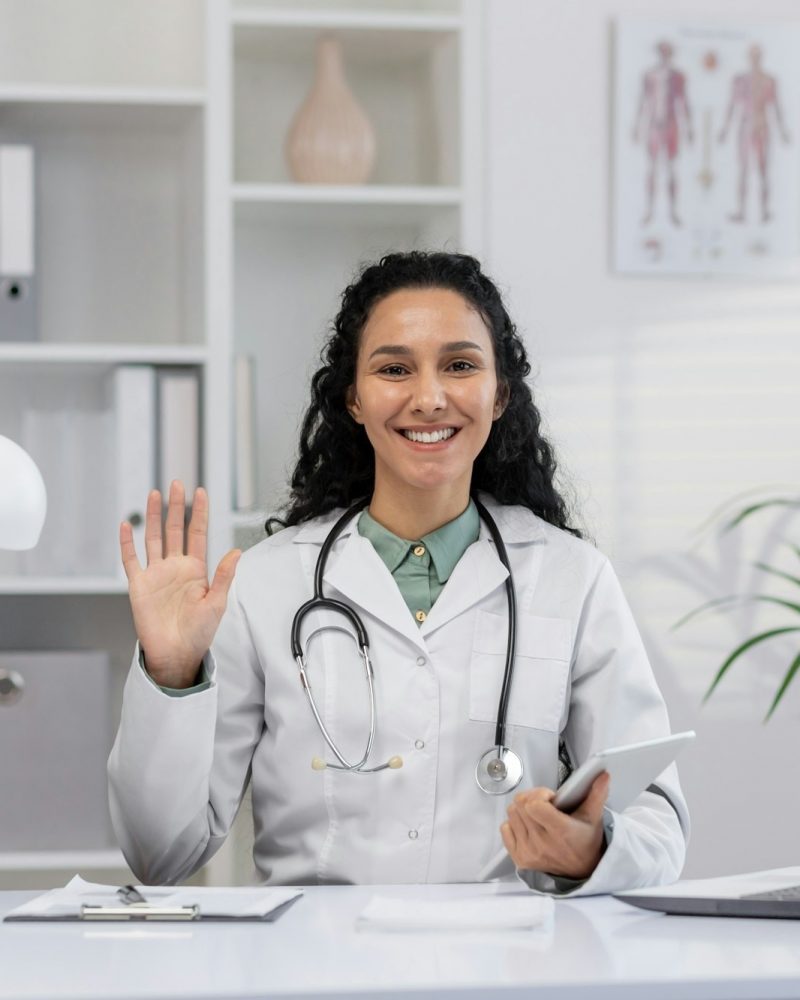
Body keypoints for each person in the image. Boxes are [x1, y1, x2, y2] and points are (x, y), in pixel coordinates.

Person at [108, 251, 688, 894]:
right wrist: (171, 674)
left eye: (460, 365)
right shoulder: (266, 585)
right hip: (315, 972)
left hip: (510, 969)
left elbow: (655, 822)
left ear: (499, 394)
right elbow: (158, 855)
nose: (430, 397)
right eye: (394, 369)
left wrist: (590, 849)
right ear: (354, 397)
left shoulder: (572, 579)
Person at [718, 44, 791, 224]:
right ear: (749, 58)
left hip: (763, 128)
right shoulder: (740, 80)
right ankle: (741, 211)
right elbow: (732, 105)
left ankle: (764, 211)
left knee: (763, 170)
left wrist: (783, 130)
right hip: (745, 127)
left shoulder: (769, 80)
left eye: (757, 55)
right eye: (752, 55)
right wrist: (725, 129)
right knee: (743, 170)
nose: (755, 59)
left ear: (761, 57)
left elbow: (776, 106)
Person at [632, 40, 693, 227]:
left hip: (671, 125)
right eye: (662, 52)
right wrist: (637, 126)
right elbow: (643, 101)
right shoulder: (649, 75)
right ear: (658, 53)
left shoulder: (678, 76)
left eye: (668, 52)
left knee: (671, 169)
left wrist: (689, 127)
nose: (665, 55)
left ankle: (673, 212)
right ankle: (650, 211)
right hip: (654, 126)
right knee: (652, 169)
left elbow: (684, 102)